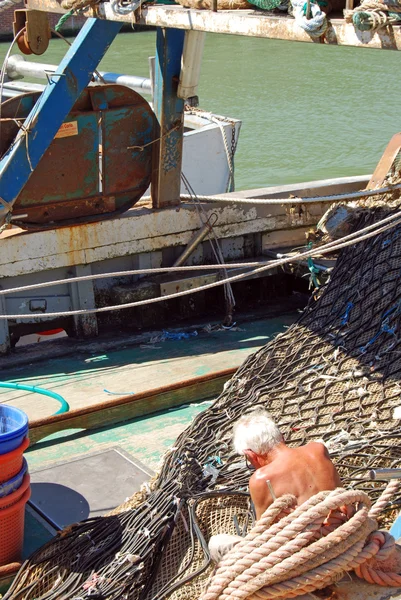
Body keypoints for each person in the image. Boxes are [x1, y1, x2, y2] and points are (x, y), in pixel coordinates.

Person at [208, 410, 342, 563]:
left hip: (307, 555)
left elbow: (263, 536)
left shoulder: (260, 479)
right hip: (343, 533)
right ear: (281, 438)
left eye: (248, 460)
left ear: (251, 455)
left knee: (217, 544)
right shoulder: (318, 449)